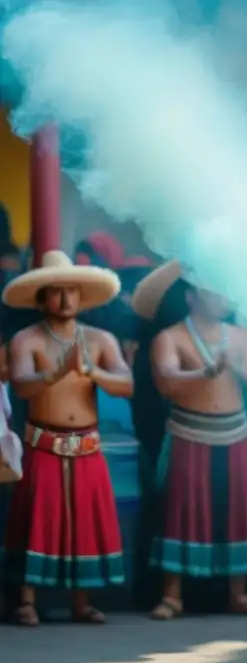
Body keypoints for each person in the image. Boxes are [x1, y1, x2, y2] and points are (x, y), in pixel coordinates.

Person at [130, 260, 247, 619]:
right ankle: (172, 595)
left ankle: (239, 594)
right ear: (192, 297)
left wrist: (234, 366)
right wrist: (204, 372)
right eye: (213, 289)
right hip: (188, 431)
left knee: (241, 508)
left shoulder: (241, 336)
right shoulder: (171, 336)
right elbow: (166, 381)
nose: (222, 297)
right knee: (180, 510)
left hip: (236, 431)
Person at [2, 250, 133, 625]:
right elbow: (23, 387)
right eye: (56, 292)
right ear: (42, 297)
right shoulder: (26, 340)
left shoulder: (101, 339)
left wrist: (92, 371)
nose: (65, 299)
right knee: (35, 521)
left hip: (87, 443)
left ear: (81, 296)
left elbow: (127, 384)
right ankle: (26, 601)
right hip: (44, 441)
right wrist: (56, 373)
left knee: (85, 523)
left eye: (71, 291)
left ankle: (82, 601)